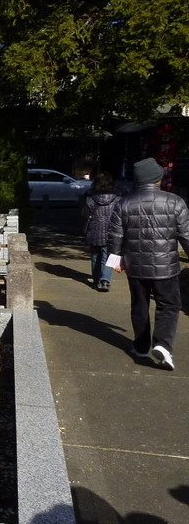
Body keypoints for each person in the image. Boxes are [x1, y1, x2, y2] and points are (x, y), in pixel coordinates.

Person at [108, 157, 189, 370]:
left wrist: (115, 261)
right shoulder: (175, 201)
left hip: (135, 266)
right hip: (166, 266)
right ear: (157, 179)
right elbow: (186, 235)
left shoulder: (124, 202)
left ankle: (141, 346)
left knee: (139, 305)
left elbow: (115, 234)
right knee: (169, 305)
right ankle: (162, 344)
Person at [82, 172, 120, 291]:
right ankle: (105, 280)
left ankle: (96, 279)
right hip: (111, 230)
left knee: (95, 256)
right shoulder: (117, 198)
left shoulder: (90, 197)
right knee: (107, 256)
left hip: (94, 229)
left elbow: (84, 214)